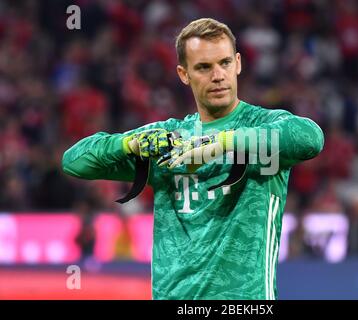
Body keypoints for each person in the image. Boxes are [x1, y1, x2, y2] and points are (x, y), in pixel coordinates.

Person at [62, 18, 324, 300]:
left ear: (238, 63)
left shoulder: (263, 126)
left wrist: (220, 144)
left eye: (224, 63)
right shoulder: (168, 138)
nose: (218, 75)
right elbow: (74, 162)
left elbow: (311, 138)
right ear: (183, 73)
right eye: (203, 67)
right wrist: (129, 144)